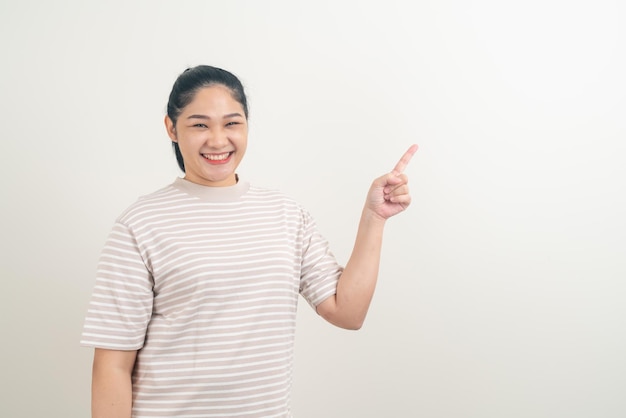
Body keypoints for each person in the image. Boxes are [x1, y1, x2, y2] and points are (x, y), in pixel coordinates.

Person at [81, 65, 418, 418]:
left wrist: (374, 218)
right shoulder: (140, 224)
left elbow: (347, 312)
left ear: (246, 125)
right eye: (199, 124)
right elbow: (112, 364)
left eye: (231, 123)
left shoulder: (286, 214)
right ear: (172, 129)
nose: (217, 140)